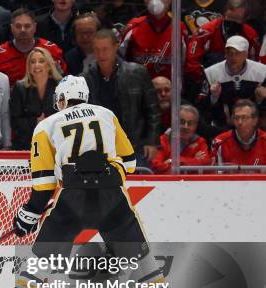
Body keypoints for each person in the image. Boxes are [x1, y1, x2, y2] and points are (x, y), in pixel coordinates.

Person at [0, 75, 186, 288]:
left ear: (61, 99)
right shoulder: (106, 114)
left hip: (71, 201)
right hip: (112, 200)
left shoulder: (46, 125)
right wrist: (106, 171)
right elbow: (130, 162)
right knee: (143, 260)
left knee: (40, 261)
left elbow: (43, 185)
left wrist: (27, 215)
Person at [82, 29, 161, 168]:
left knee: (137, 187)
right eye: (97, 50)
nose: (101, 54)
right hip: (98, 148)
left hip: (134, 145)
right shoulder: (85, 78)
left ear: (116, 47)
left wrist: (152, 141)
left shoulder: (136, 72)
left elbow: (153, 110)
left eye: (105, 49)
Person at [198, 35, 266, 130]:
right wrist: (214, 97)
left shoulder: (262, 72)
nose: (233, 57)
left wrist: (260, 100)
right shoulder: (211, 73)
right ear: (225, 53)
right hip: (220, 127)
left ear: (246, 54)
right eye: (229, 53)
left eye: (237, 53)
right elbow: (201, 106)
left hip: (254, 128)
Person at [185, 0, 261, 83]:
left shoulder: (251, 35)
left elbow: (255, 64)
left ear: (244, 19)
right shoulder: (206, 32)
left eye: (237, 19)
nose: (232, 23)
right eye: (230, 18)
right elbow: (192, 62)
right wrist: (206, 79)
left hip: (240, 81)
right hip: (208, 80)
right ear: (223, 15)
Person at [0, 8, 66, 88]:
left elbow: (63, 80)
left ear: (35, 27)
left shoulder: (51, 50)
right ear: (11, 28)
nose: (23, 30)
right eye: (18, 26)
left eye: (27, 26)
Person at [119, 0, 188, 80]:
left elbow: (185, 64)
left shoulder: (179, 28)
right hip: (138, 88)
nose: (155, 1)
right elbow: (119, 60)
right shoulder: (133, 26)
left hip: (168, 90)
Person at [9, 47, 62, 150]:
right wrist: (35, 122)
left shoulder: (60, 87)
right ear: (28, 67)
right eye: (33, 62)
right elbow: (14, 121)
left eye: (41, 61)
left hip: (54, 145)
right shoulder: (20, 88)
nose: (36, 65)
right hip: (26, 145)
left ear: (49, 66)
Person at [150, 104, 211, 173]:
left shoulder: (200, 142)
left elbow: (205, 163)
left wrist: (172, 161)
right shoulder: (161, 140)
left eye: (190, 123)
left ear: (195, 126)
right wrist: (193, 161)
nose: (185, 126)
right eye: (182, 122)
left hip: (191, 183)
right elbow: (156, 166)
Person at [211, 99, 266, 165]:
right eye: (236, 118)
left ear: (255, 120)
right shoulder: (220, 142)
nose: (240, 122)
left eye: (244, 118)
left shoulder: (264, 140)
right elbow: (215, 173)